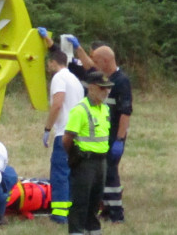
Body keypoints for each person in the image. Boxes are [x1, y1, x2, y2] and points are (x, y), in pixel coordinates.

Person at [38, 28, 86, 224]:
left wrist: (48, 129)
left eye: (49, 63)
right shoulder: (74, 79)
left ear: (52, 63)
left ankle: (59, 214)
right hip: (79, 133)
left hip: (64, 133)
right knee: (73, 174)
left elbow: (58, 103)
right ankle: (73, 210)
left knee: (59, 173)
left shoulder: (59, 78)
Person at [63, 71, 113, 235]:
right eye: (102, 88)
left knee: (95, 202)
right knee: (80, 202)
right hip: (85, 161)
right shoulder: (80, 110)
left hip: (101, 162)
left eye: (108, 89)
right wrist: (75, 156)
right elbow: (67, 138)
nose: (106, 92)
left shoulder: (105, 109)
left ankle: (94, 230)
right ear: (91, 88)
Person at [90, 45, 132, 223]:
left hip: (114, 136)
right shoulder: (104, 79)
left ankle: (117, 214)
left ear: (106, 61)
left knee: (111, 173)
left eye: (97, 61)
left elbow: (125, 112)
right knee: (103, 174)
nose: (94, 64)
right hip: (103, 134)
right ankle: (106, 209)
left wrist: (120, 140)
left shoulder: (121, 81)